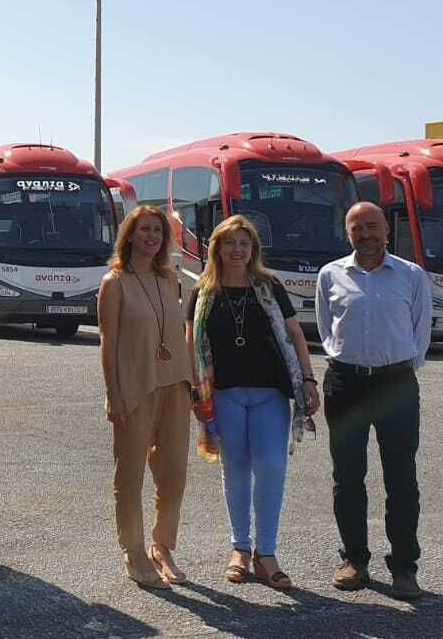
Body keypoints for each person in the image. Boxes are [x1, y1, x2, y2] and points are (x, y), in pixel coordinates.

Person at [184, 216, 321, 590]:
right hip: (225, 394)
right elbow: (189, 344)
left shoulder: (269, 286)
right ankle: (240, 549)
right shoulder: (204, 291)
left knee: (273, 467)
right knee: (236, 469)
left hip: (270, 394)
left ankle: (267, 553)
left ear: (253, 249)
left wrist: (308, 380)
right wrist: (195, 392)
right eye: (230, 243)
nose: (238, 250)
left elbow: (293, 333)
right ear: (217, 248)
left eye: (244, 243)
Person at [315, 201, 432, 600]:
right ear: (347, 233)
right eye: (356, 229)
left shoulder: (411, 275)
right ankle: (354, 560)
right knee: (347, 478)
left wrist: (397, 369)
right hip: (346, 384)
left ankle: (404, 566)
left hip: (396, 384)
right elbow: (326, 328)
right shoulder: (330, 274)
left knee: (401, 479)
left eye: (371, 227)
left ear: (386, 229)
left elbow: (421, 332)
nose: (365, 235)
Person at [98, 206, 194, 589]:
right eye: (144, 230)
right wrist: (113, 394)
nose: (152, 236)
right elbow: (108, 343)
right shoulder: (114, 282)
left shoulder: (169, 279)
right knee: (130, 474)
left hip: (176, 384)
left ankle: (162, 547)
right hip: (135, 387)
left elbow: (180, 331)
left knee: (173, 474)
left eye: (158, 230)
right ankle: (134, 553)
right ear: (130, 235)